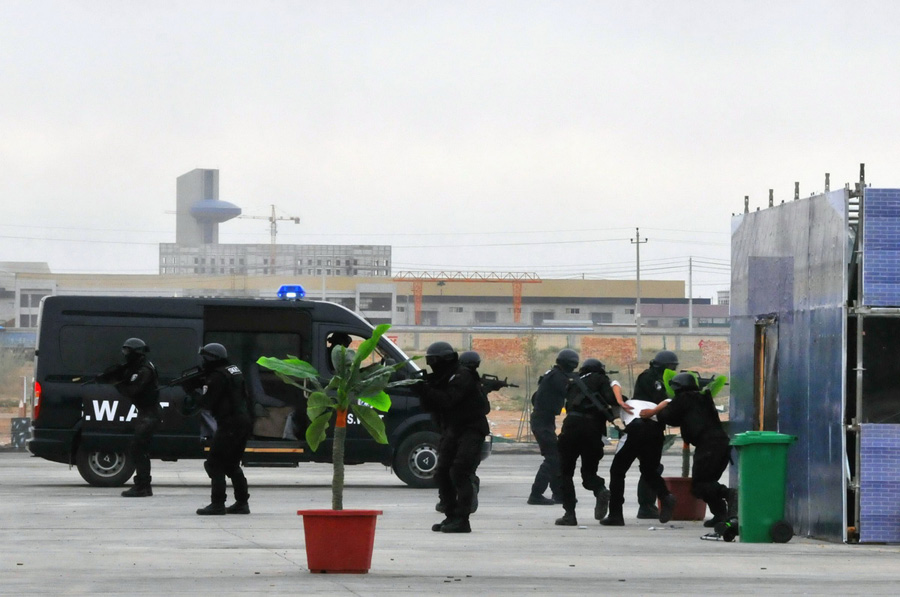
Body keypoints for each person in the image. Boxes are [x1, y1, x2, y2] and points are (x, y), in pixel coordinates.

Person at [640, 371, 733, 528]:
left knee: (700, 484)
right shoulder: (702, 398)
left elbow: (668, 417)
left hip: (709, 445)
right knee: (707, 482)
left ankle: (729, 494)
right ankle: (720, 515)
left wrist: (659, 407)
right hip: (720, 444)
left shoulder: (683, 399)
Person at [417, 342, 489, 533]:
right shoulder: (443, 378)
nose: (432, 365)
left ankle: (462, 519)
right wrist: (420, 389)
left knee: (459, 472)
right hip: (453, 429)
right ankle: (450, 515)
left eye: (434, 361)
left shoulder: (462, 376)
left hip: (471, 429)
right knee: (442, 472)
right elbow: (432, 405)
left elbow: (448, 400)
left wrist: (424, 390)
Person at [600, 350, 678, 525]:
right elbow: (671, 402)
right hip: (657, 430)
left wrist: (619, 401)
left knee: (617, 471)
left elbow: (614, 383)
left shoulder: (642, 386)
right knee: (650, 470)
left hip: (637, 428)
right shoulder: (670, 384)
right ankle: (665, 496)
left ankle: (615, 515)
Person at [183, 343, 253, 515]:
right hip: (242, 421)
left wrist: (192, 391)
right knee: (231, 464)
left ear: (210, 358)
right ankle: (242, 502)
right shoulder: (232, 370)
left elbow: (207, 402)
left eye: (205, 358)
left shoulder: (217, 376)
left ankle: (217, 504)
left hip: (229, 423)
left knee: (214, 464)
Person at [554, 358, 617, 526]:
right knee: (588, 473)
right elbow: (612, 399)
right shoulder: (602, 380)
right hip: (592, 430)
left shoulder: (574, 382)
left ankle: (570, 514)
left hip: (572, 427)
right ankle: (600, 489)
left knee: (565, 473)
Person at [101, 338, 160, 498]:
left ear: (136, 353)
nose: (125, 355)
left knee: (139, 449)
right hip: (146, 413)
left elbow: (132, 391)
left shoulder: (144, 370)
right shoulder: (140, 367)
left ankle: (142, 486)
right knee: (140, 450)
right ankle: (144, 486)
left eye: (128, 352)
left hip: (149, 414)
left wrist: (117, 383)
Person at [528, 349, 578, 505]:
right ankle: (536, 494)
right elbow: (568, 390)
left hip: (545, 420)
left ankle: (559, 494)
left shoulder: (553, 374)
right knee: (552, 457)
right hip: (542, 421)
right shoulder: (557, 377)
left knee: (556, 457)